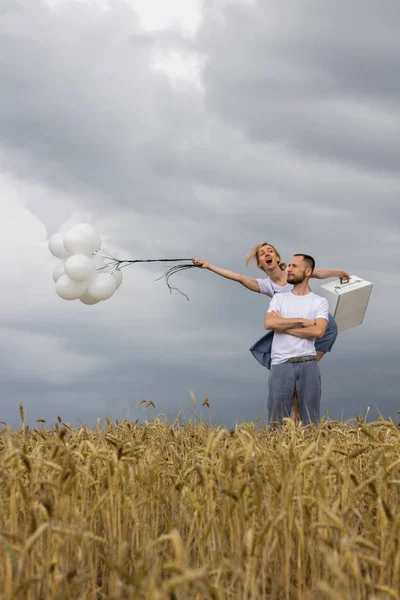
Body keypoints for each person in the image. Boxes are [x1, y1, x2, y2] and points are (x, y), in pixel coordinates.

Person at [192, 242, 349, 423]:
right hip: (289, 326)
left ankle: (307, 364)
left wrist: (339, 273)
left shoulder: (293, 272)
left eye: (270, 251)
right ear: (260, 263)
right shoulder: (267, 286)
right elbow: (238, 277)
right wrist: (209, 266)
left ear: (277, 257)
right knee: (288, 374)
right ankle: (295, 398)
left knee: (330, 330)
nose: (267, 254)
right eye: (262, 254)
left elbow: (319, 273)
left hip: (310, 321)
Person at [264, 254, 329, 425]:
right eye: (289, 265)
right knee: (275, 424)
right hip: (280, 364)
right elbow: (269, 323)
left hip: (309, 363)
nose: (289, 269)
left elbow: (319, 331)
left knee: (311, 423)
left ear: (308, 271)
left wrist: (284, 327)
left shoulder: (320, 302)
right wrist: (301, 322)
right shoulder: (280, 298)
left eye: (294, 266)